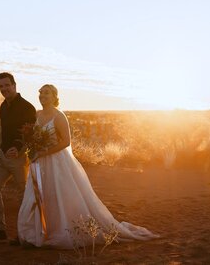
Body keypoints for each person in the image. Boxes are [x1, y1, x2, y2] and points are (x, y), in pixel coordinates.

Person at [18, 84, 159, 249]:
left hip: (56, 162)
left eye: (46, 93)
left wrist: (45, 152)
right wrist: (33, 149)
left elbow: (66, 142)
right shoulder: (37, 114)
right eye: (40, 93)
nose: (42, 95)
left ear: (54, 96)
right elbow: (34, 137)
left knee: (59, 195)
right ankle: (41, 231)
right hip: (40, 162)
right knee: (42, 195)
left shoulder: (59, 116)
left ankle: (60, 231)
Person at [0, 72, 36, 243]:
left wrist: (18, 148)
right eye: (1, 86)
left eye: (7, 85)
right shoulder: (3, 106)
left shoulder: (27, 107)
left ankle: (23, 234)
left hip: (19, 158)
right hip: (2, 156)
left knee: (22, 196)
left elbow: (31, 133)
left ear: (14, 85)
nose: (4, 89)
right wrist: (3, 150)